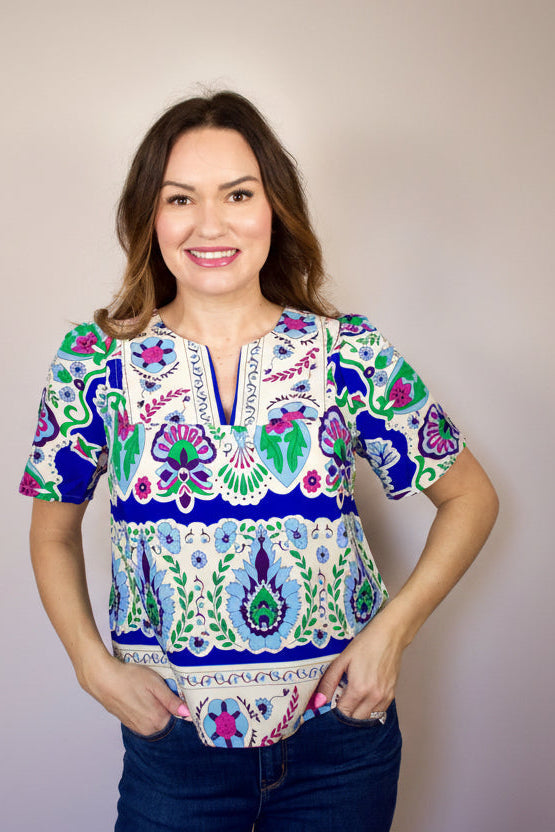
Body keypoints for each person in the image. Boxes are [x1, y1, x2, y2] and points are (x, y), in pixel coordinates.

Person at [20, 90, 498, 832]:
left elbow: (471, 497)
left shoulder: (347, 353)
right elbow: (51, 533)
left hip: (340, 743)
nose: (210, 224)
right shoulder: (96, 361)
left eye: (238, 194)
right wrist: (92, 666)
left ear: (274, 207)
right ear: (150, 216)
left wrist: (391, 633)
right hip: (176, 747)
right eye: (181, 198)